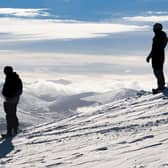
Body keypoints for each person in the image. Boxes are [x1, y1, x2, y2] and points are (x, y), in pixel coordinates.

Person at [146, 23, 168, 93]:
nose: (153, 29)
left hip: (158, 56)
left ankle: (161, 86)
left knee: (158, 71)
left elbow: (157, 47)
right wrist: (150, 56)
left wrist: (150, 56)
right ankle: (160, 86)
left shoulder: (160, 35)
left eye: (154, 28)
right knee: (157, 71)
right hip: (157, 56)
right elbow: (155, 48)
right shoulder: (159, 35)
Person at [2, 66, 23, 137]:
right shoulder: (13, 77)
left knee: (10, 116)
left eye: (5, 71)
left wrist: (11, 97)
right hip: (11, 100)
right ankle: (14, 130)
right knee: (12, 115)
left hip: (10, 100)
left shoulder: (12, 78)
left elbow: (18, 90)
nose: (4, 72)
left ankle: (10, 132)